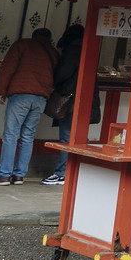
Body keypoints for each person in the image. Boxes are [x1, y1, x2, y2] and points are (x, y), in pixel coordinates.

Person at [0, 27, 60, 186]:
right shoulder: (53, 52)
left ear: (33, 36)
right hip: (41, 98)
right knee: (28, 136)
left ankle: (3, 175)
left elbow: (8, 68)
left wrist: (2, 90)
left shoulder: (22, 45)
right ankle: (19, 175)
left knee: (11, 134)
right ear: (49, 38)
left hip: (21, 94)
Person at [42, 24, 86, 186]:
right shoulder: (89, 50)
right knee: (80, 137)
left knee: (66, 137)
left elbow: (63, 73)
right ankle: (80, 171)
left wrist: (55, 83)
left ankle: (62, 173)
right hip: (85, 100)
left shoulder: (73, 51)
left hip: (70, 99)